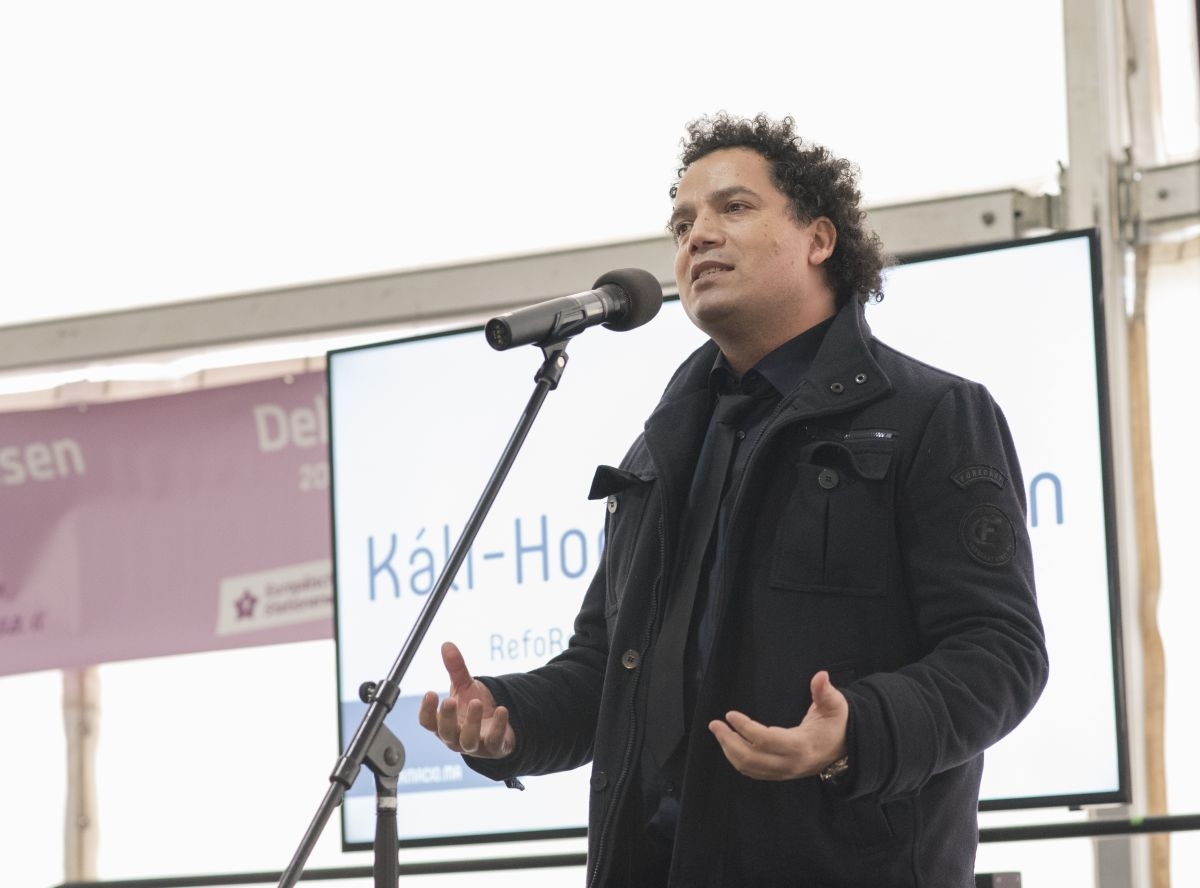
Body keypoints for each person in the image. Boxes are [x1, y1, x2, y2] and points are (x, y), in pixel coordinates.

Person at [419, 112, 1048, 887]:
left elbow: (1000, 653)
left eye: (734, 208)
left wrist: (855, 732)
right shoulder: (659, 448)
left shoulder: (932, 414)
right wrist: (506, 718)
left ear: (820, 239)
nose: (698, 238)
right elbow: (606, 673)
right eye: (682, 225)